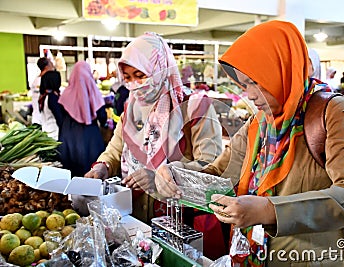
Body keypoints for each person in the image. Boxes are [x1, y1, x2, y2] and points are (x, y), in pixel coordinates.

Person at [155, 20, 344, 266]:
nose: (248, 94)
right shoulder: (258, 123)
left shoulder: (332, 112)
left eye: (255, 82)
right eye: (244, 84)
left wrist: (270, 210)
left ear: (281, 70)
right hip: (255, 255)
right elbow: (219, 172)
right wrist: (175, 175)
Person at [84, 32, 224, 257]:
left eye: (141, 75)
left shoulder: (195, 108)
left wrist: (160, 177)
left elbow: (213, 167)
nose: (134, 84)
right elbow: (116, 146)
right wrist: (102, 166)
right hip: (137, 219)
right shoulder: (132, 108)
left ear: (160, 69)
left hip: (180, 224)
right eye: (128, 77)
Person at [58, 61, 107, 177]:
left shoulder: (66, 93)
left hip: (68, 135)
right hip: (90, 136)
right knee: (92, 171)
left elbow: (60, 114)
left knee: (71, 172)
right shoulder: (94, 90)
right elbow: (102, 115)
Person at [38, 70, 63, 140]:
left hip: (47, 132)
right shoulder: (53, 98)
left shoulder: (44, 96)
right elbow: (60, 119)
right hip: (55, 135)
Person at [29, 57, 55, 125]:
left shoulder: (35, 80)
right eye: (51, 63)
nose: (53, 65)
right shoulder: (44, 81)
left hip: (37, 118)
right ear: (47, 67)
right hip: (44, 120)